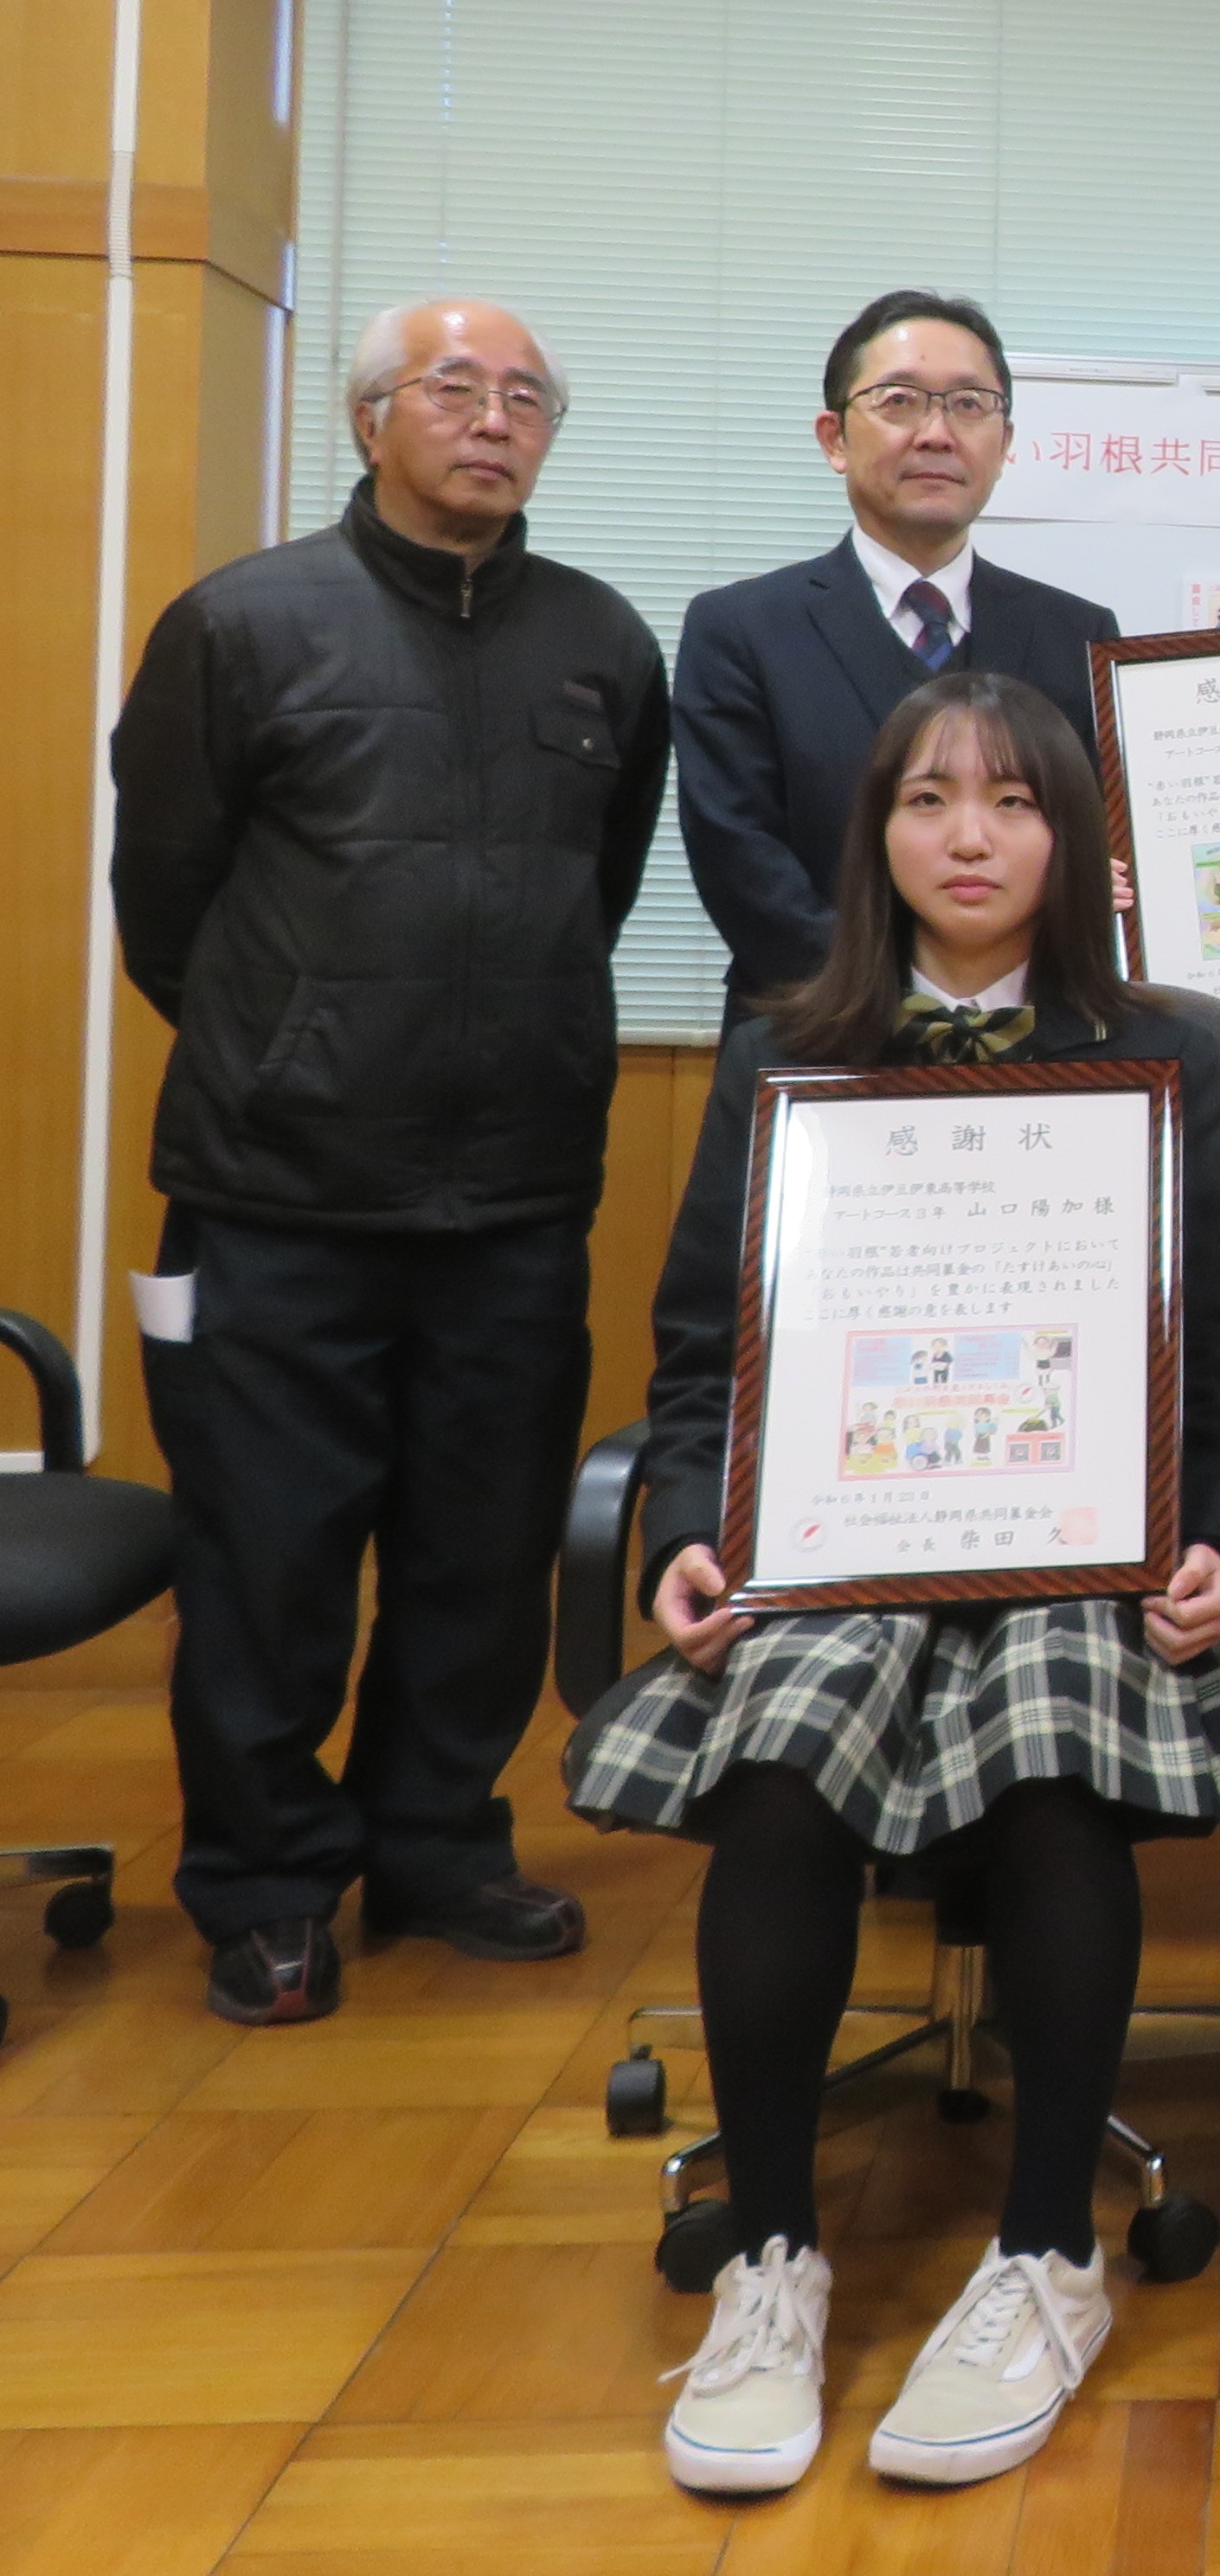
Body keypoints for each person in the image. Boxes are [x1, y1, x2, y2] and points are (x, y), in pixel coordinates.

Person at [568, 670, 1220, 2497]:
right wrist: (690, 1526)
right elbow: (699, 1354)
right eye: (927, 800)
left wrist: (1218, 1539)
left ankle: (1048, 2253)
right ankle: (771, 2258)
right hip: (849, 1546)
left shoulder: (1167, 1060)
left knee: (1054, 1751)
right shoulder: (781, 1058)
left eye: (1012, 801)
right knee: (783, 1762)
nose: (970, 837)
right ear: (874, 832)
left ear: (1070, 833)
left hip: (1094, 1553)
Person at [110, 298, 666, 2025]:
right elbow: (168, 905)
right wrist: (304, 1043)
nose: (495, 421)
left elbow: (599, 885)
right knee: (268, 1561)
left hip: (515, 1189)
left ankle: (435, 1843)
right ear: (370, 419)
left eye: (527, 398)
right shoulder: (243, 623)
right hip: (278, 1193)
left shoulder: (600, 641)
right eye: (455, 388)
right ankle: (268, 1883)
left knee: (480, 1553)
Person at [672, 290, 1120, 1014]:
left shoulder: (1079, 634)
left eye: (969, 405)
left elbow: (1095, 861)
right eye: (900, 401)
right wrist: (913, 1009)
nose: (937, 433)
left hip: (1035, 1041)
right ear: (834, 438)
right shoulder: (740, 629)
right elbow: (739, 859)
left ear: (1005, 443)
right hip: (811, 1027)